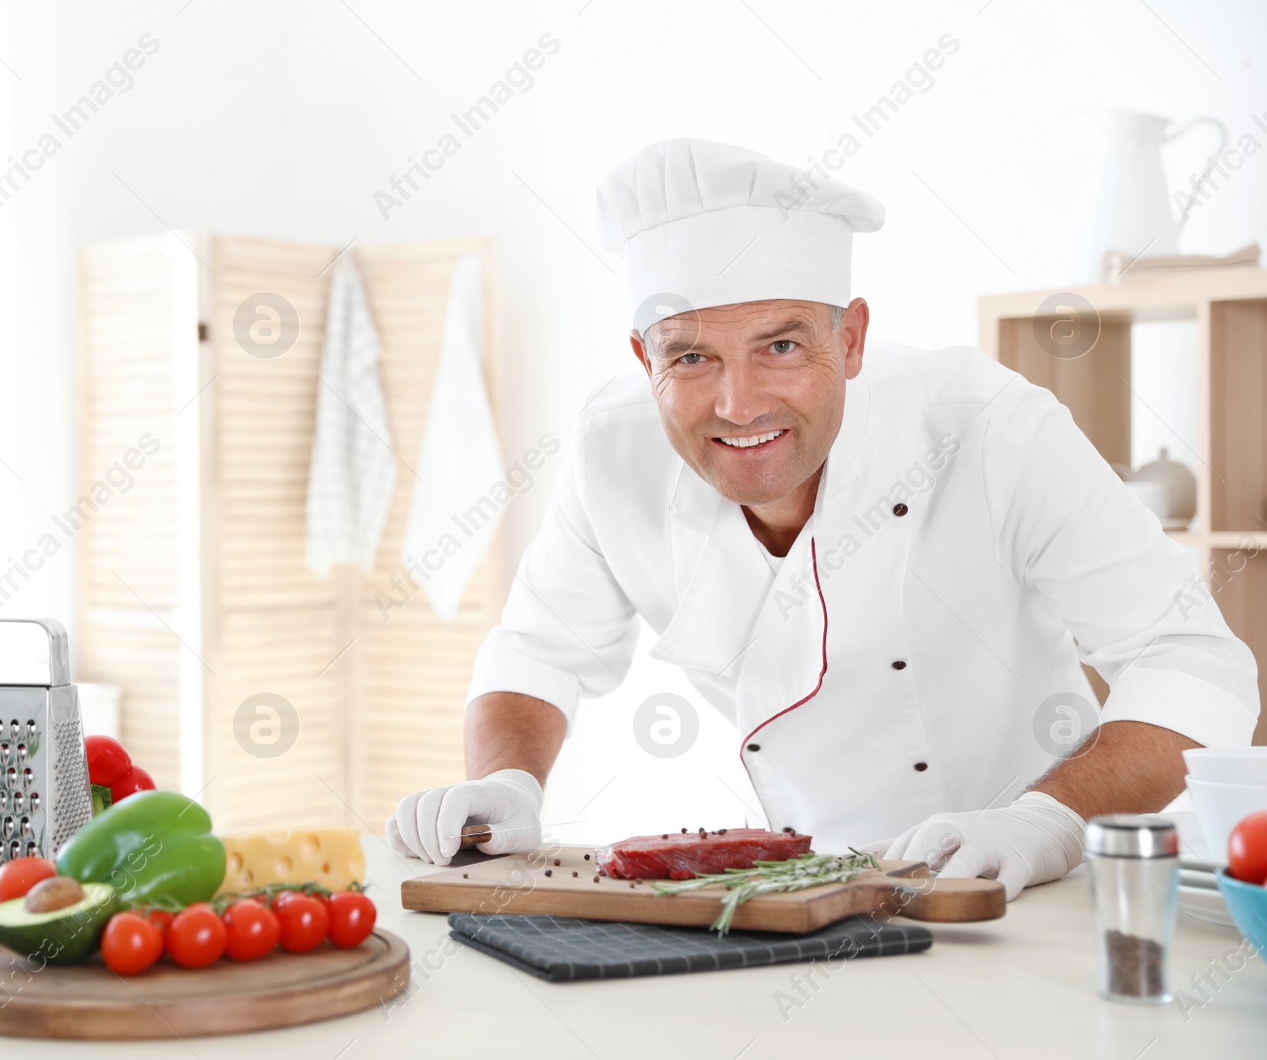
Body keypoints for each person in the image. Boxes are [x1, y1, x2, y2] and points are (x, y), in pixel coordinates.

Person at [384, 138, 1259, 899]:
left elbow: (1197, 662)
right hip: (802, 893)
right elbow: (539, 647)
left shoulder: (986, 427)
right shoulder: (613, 450)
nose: (738, 402)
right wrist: (506, 781)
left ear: (851, 341)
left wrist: (1048, 820)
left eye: (782, 345)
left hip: (1026, 890)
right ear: (642, 357)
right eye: (691, 355)